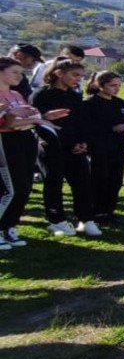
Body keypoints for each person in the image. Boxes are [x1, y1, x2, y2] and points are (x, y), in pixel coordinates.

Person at [31, 60, 102, 237]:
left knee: (82, 183)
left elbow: (82, 122)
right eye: (74, 75)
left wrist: (83, 142)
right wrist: (66, 142)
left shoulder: (74, 96)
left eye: (80, 76)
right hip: (52, 147)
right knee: (54, 183)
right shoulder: (41, 95)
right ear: (58, 73)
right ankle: (57, 220)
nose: (78, 79)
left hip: (76, 148)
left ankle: (86, 219)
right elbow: (39, 124)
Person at [0, 58, 58, 249]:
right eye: (14, 72)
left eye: (21, 72)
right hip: (6, 143)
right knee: (10, 188)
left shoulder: (16, 94)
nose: (20, 76)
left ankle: (9, 226)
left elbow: (29, 118)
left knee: (24, 186)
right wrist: (16, 118)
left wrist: (43, 118)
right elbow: (8, 123)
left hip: (24, 140)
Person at [84, 71, 124, 226]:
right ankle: (97, 212)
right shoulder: (89, 104)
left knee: (116, 180)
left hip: (119, 146)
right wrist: (112, 128)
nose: (117, 89)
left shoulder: (121, 103)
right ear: (100, 85)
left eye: (119, 85)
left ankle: (109, 211)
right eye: (113, 85)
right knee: (100, 179)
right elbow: (88, 127)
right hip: (99, 147)